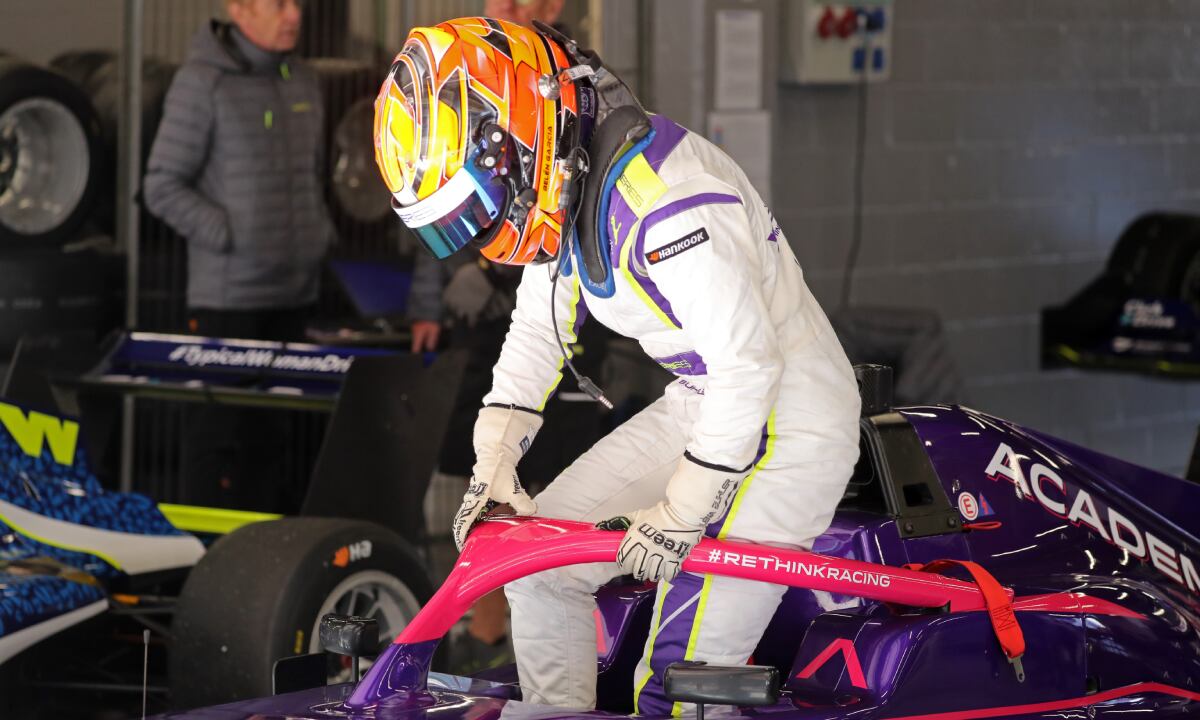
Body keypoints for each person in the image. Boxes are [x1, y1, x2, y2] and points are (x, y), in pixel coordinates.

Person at [373, 17, 861, 715]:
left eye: (480, 211)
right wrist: (494, 459)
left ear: (520, 138)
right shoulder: (567, 179)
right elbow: (538, 330)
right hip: (707, 401)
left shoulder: (667, 205)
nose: (483, 241)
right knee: (537, 567)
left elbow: (749, 367)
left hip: (795, 422)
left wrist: (684, 509)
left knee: (678, 682)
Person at [145, 0, 335, 510]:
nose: (293, 14)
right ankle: (203, 567)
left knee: (276, 443)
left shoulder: (305, 80)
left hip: (296, 295)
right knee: (216, 438)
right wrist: (232, 235)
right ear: (240, 10)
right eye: (278, 4)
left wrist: (317, 232)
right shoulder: (202, 82)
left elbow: (311, 178)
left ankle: (269, 568)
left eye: (297, 4)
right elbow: (161, 185)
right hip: (228, 301)